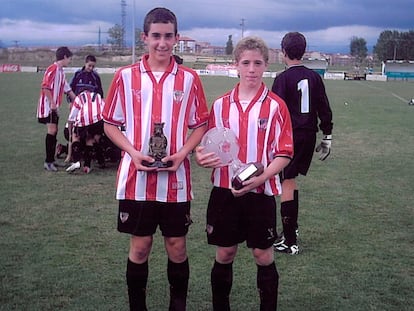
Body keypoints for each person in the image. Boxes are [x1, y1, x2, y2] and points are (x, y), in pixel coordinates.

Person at [102, 7, 209, 311]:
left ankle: (178, 306)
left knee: (177, 247)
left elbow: (200, 123)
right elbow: (110, 123)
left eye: (168, 36)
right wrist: (133, 152)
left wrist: (183, 153)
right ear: (145, 37)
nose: (162, 43)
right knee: (140, 246)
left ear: (176, 38)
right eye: (156, 36)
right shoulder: (125, 77)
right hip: (137, 180)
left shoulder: (189, 78)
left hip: (175, 180)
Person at [195, 36, 294, 311]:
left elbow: (284, 153)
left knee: (263, 255)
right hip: (225, 191)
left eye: (258, 63)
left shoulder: (276, 106)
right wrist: (202, 157)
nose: (252, 69)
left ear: (266, 65)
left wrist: (261, 179)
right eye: (246, 63)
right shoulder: (220, 105)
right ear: (236, 65)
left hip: (260, 192)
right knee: (225, 253)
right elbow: (206, 145)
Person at [271, 32, 333, 255]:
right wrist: (327, 136)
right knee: (290, 179)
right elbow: (324, 108)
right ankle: (291, 230)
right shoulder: (314, 77)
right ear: (304, 52)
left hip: (291, 136)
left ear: (283, 52)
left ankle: (289, 241)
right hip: (309, 136)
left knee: (285, 181)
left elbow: (275, 112)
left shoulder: (282, 79)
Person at [37, 46, 76, 171]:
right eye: (69, 59)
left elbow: (66, 88)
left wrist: (77, 100)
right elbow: (45, 86)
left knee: (55, 130)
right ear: (64, 57)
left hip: (54, 107)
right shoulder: (52, 69)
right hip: (48, 107)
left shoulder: (60, 71)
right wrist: (52, 103)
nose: (69, 61)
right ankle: (48, 162)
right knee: (52, 130)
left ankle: (52, 160)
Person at [66, 87, 105, 174]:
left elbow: (72, 117)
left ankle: (76, 162)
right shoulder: (97, 96)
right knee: (90, 139)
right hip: (98, 119)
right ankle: (87, 166)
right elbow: (104, 108)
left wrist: (70, 133)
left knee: (75, 137)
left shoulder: (79, 97)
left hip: (83, 119)